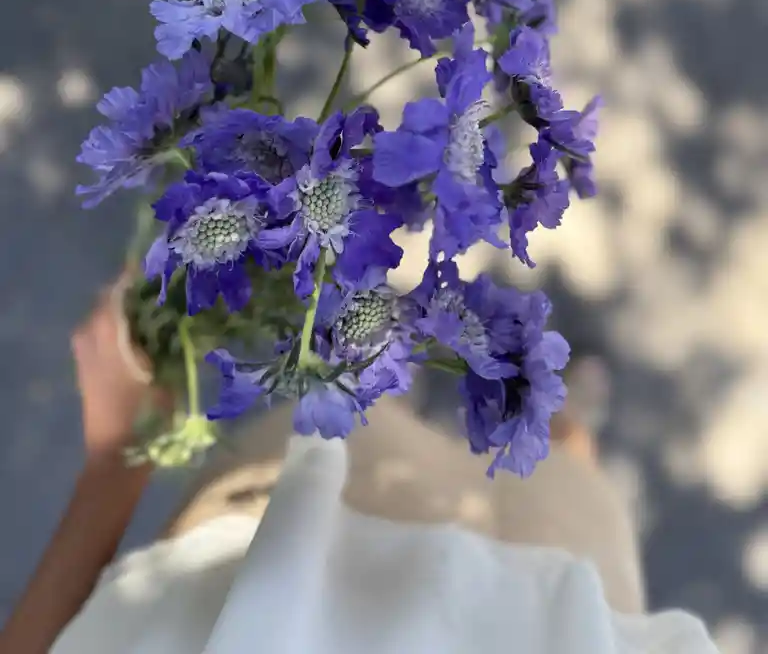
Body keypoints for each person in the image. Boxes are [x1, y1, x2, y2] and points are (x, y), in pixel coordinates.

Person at [0, 279, 719, 654]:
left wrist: (116, 462)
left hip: (268, 547)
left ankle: (404, 367)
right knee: (567, 473)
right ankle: (555, 405)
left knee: (361, 409)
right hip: (585, 618)